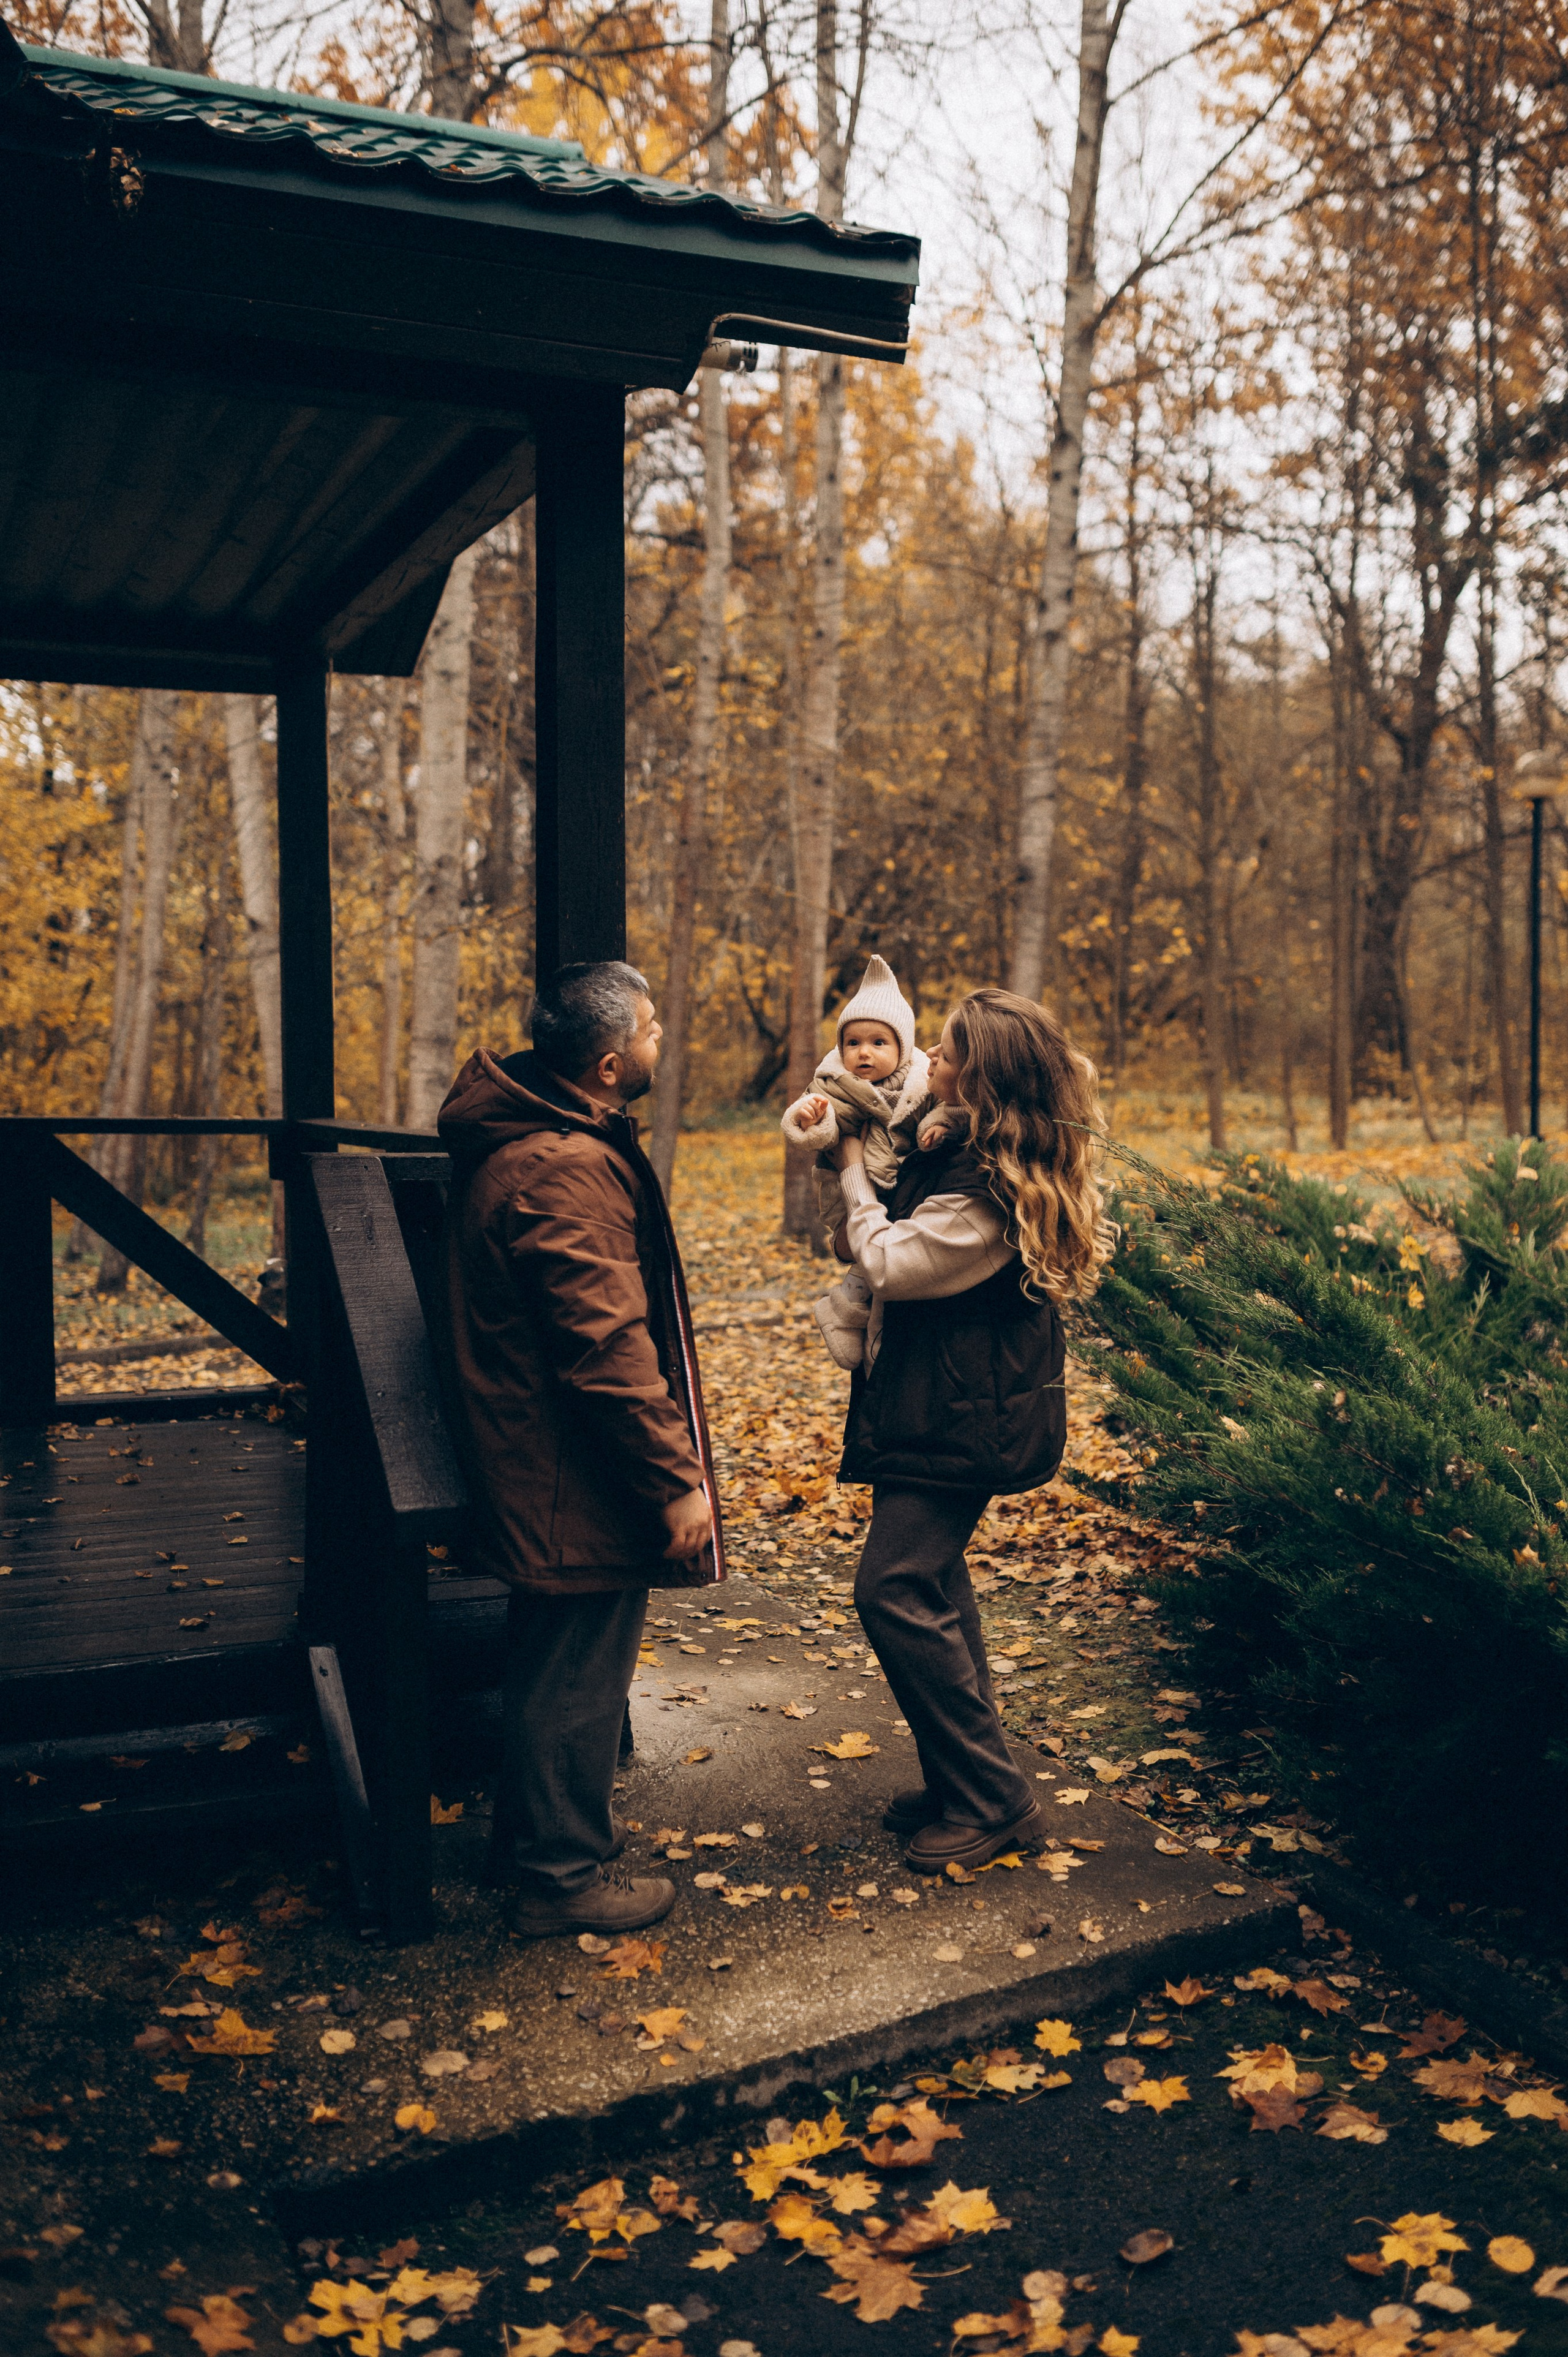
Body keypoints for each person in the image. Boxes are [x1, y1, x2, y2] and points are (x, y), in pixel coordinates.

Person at [435, 960, 722, 1937]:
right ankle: (560, 1880)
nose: (659, 1041)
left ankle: (531, 1845)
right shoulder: (563, 1166)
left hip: (542, 1451)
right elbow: (605, 1345)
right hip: (565, 1466)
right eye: (650, 1029)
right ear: (608, 1064)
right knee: (578, 1671)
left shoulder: (546, 1137)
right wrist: (674, 1478)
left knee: (553, 1656)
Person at [831, 987, 1114, 1873]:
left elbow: (889, 1261)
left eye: (947, 1053)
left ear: (982, 1077)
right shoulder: (960, 1143)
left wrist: (848, 1168)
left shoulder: (990, 1188)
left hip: (966, 1411)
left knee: (892, 1587)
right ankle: (964, 1778)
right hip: (937, 1400)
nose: (931, 1062)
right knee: (935, 1583)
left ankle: (994, 1801)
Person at [780, 954, 962, 1369]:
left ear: (903, 1047)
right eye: (853, 1043)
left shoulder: (921, 1082)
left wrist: (940, 1124)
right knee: (865, 1256)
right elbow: (821, 1129)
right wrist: (811, 1119)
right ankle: (844, 1314)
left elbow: (943, 1108)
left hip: (897, 1187)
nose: (864, 1053)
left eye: (879, 1043)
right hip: (846, 1192)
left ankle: (862, 1324)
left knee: (883, 1255)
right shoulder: (836, 1084)